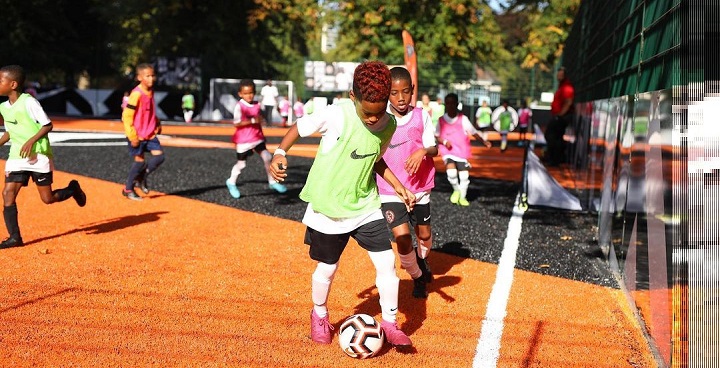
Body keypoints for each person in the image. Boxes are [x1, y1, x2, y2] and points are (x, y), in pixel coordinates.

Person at [269, 60, 415, 347]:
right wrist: (279, 152)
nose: (374, 120)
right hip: (328, 207)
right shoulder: (335, 115)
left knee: (387, 263)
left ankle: (390, 322)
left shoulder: (390, 124)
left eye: (379, 112)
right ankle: (320, 314)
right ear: (353, 97)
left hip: (364, 204)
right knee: (327, 268)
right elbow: (299, 126)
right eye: (367, 113)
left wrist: (398, 187)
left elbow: (375, 159)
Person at [0, 65, 86, 249]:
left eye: (1, 80)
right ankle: (15, 238)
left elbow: (47, 125)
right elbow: (10, 131)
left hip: (38, 155)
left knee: (48, 199)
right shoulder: (3, 107)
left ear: (13, 84)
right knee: (7, 193)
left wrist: (31, 141)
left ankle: (73, 189)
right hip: (17, 155)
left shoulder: (29, 102)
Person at [379, 67, 437, 299]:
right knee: (402, 239)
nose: (401, 98)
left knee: (423, 235)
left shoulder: (421, 116)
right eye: (394, 93)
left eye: (405, 92)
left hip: (420, 188)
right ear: (386, 93)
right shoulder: (381, 118)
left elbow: (435, 147)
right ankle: (417, 276)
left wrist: (422, 151)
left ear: (413, 90)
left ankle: (422, 261)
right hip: (391, 190)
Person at [225, 79, 287, 199]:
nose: (249, 95)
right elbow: (236, 123)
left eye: (251, 93)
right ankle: (231, 182)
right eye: (246, 93)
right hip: (244, 140)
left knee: (267, 157)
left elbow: (260, 117)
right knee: (241, 164)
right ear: (240, 94)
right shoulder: (239, 106)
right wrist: (253, 121)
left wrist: (261, 119)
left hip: (257, 137)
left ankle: (272, 181)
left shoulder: (258, 104)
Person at [436, 93, 491, 207]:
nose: (450, 105)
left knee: (464, 176)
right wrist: (445, 142)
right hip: (448, 151)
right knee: (451, 172)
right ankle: (456, 190)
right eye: (448, 103)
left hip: (461, 151)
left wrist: (484, 141)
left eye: (453, 103)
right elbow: (436, 135)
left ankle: (462, 196)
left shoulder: (463, 119)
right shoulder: (441, 120)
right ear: (445, 104)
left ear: (457, 104)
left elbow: (473, 132)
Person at [121, 63, 165, 201]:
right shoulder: (136, 94)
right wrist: (132, 136)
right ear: (139, 77)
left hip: (150, 133)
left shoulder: (151, 92)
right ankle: (128, 188)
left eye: (153, 75)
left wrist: (157, 122)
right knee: (139, 162)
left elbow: (150, 111)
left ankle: (142, 177)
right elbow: (126, 116)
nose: (151, 79)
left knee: (160, 157)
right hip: (138, 135)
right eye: (148, 76)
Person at [545, 66, 574, 166]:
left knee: (553, 136)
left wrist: (560, 115)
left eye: (561, 74)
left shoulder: (566, 88)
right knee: (554, 137)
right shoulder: (561, 87)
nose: (558, 76)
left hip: (561, 117)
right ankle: (554, 158)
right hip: (558, 116)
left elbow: (568, 102)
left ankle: (555, 159)